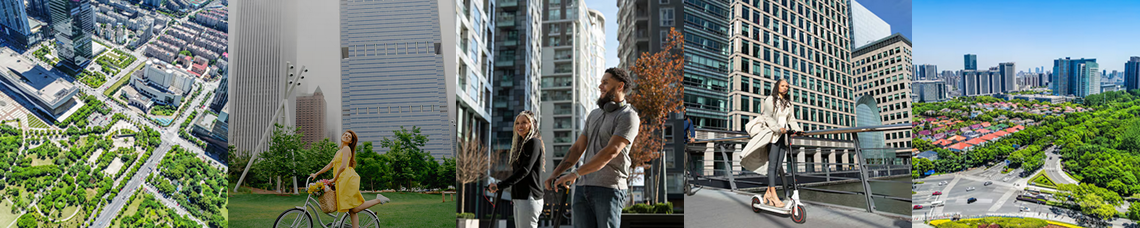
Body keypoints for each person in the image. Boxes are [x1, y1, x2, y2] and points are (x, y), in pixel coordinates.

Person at [546, 67, 639, 228]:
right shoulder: (594, 114)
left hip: (609, 189)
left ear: (620, 86)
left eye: (605, 82)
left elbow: (611, 151)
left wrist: (575, 173)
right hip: (583, 187)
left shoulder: (628, 116)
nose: (600, 86)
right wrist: (555, 174)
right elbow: (577, 149)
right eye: (600, 82)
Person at [739, 79, 802, 208]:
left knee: (778, 165)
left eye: (787, 86)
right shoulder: (770, 100)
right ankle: (773, 194)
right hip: (773, 136)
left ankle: (768, 192)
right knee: (772, 166)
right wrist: (778, 128)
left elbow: (791, 119)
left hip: (783, 137)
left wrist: (799, 130)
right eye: (783, 86)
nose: (785, 88)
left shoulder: (788, 103)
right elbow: (767, 117)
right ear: (777, 87)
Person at [310, 130, 390, 228]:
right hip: (342, 180)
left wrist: (334, 179)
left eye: (349, 136)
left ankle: (378, 200)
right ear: (342, 136)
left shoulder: (346, 149)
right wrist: (316, 174)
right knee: (352, 210)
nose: (346, 136)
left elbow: (343, 166)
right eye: (345, 135)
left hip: (347, 179)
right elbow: (330, 165)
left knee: (354, 208)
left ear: (351, 141)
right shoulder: (338, 151)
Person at [488, 111, 545, 228]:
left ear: (531, 124)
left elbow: (525, 170)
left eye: (524, 123)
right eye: (517, 123)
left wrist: (501, 185)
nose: (520, 126)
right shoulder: (521, 145)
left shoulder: (534, 142)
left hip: (529, 197)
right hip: (519, 197)